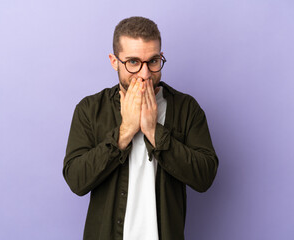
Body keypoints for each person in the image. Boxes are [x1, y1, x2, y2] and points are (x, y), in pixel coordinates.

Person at [63, 16, 219, 240]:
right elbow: (76, 180)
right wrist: (125, 131)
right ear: (114, 61)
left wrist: (154, 132)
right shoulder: (90, 109)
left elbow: (205, 177)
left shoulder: (187, 108)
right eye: (133, 62)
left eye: (153, 61)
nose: (145, 74)